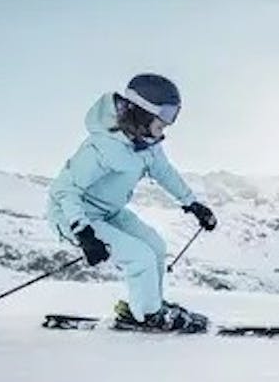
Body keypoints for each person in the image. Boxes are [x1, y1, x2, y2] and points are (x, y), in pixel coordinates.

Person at [48, 74, 217, 331]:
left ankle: (150, 305)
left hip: (109, 212)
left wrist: (193, 204)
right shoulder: (102, 146)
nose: (168, 123)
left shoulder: (147, 144)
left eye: (173, 115)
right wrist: (83, 231)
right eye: (166, 114)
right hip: (74, 215)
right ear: (143, 111)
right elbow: (65, 191)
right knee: (139, 257)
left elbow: (164, 172)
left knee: (155, 247)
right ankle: (148, 315)